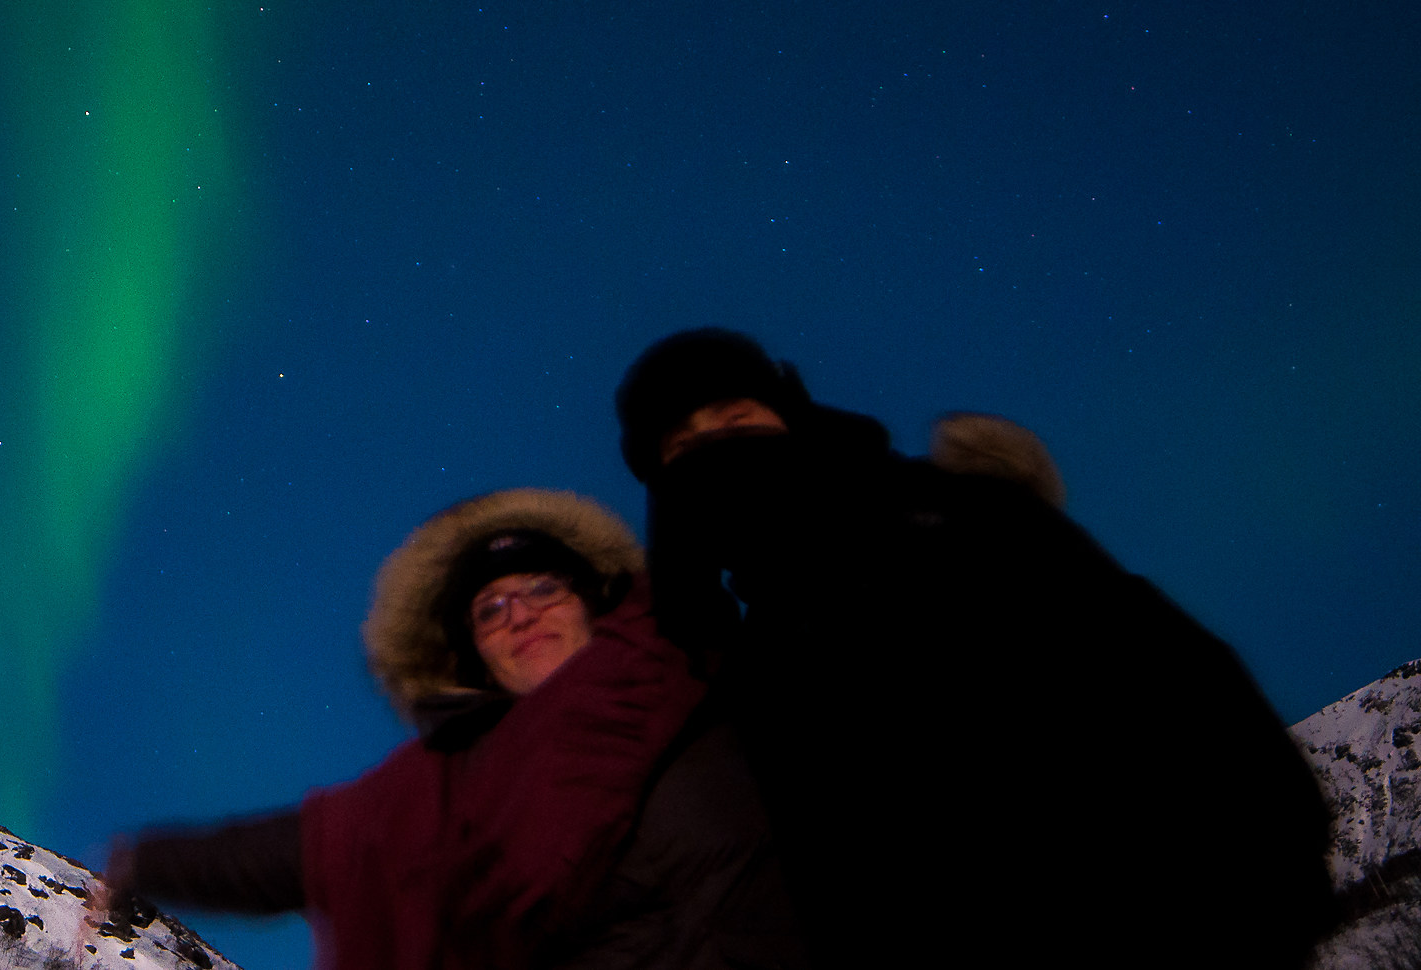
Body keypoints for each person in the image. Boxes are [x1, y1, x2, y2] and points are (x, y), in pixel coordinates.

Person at [615, 327, 1335, 970]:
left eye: (737, 418)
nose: (720, 450)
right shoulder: (756, 667)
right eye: (685, 446)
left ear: (790, 418)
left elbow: (1195, 700)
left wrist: (1249, 922)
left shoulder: (965, 521)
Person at [95, 489, 806, 970]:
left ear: (594, 600)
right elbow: (299, 848)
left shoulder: (711, 676)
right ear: (474, 656)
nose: (520, 614)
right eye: (490, 610)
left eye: (543, 588)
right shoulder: (443, 783)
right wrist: (144, 862)